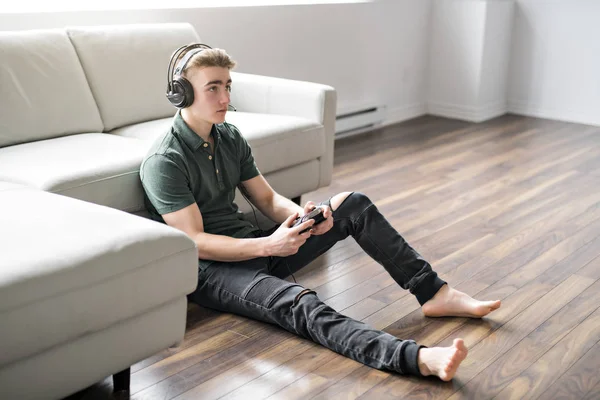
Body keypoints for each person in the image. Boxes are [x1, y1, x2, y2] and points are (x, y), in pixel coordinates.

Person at [140, 44, 501, 381]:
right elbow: (196, 242)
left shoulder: (229, 136)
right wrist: (268, 245)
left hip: (260, 246)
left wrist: (304, 217)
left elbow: (267, 200)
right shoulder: (165, 161)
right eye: (213, 88)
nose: (225, 98)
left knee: (351, 204)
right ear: (182, 93)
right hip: (214, 274)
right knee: (301, 302)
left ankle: (434, 293)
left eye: (228, 86)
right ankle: (416, 358)